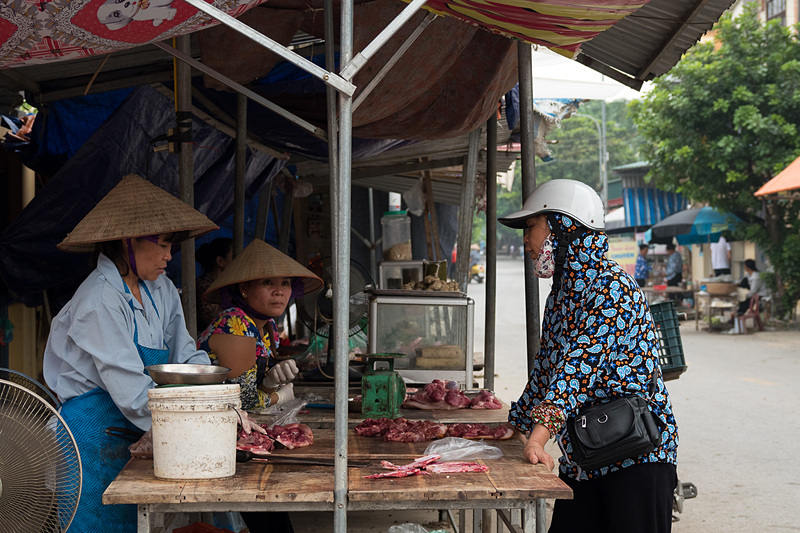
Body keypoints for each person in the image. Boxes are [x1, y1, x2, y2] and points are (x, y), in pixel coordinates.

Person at [498, 179, 678, 533]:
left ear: (563, 226)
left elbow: (576, 370)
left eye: (531, 227)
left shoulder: (613, 288)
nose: (525, 240)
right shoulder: (562, 295)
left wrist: (538, 437)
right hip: (587, 457)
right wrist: (516, 426)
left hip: (637, 456)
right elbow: (546, 370)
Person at [43, 174, 218, 533]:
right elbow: (131, 390)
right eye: (164, 244)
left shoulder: (162, 289)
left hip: (133, 429)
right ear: (128, 243)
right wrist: (193, 429)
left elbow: (186, 355)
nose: (170, 255)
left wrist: (216, 397)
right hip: (89, 440)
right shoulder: (99, 299)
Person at [198, 239, 323, 412]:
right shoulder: (235, 324)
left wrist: (270, 382)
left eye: (285, 283)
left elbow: (254, 393)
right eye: (268, 282)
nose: (279, 291)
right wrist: (280, 396)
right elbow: (244, 401)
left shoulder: (268, 326)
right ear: (244, 289)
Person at [196, 237, 233, 331]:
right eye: (234, 257)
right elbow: (215, 320)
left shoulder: (227, 286)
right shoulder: (204, 285)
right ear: (220, 261)